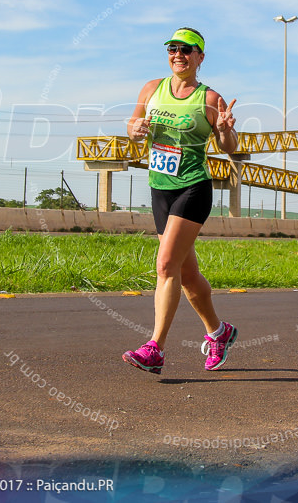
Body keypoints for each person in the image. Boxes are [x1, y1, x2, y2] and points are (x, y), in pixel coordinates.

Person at [122, 27, 240, 375]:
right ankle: (219, 332)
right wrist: (134, 128)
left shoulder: (209, 98)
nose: (179, 55)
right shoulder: (151, 88)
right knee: (186, 274)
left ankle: (155, 348)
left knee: (165, 266)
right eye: (173, 48)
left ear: (200, 57)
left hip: (193, 187)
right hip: (160, 187)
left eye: (187, 50)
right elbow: (132, 122)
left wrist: (224, 129)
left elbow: (229, 147)